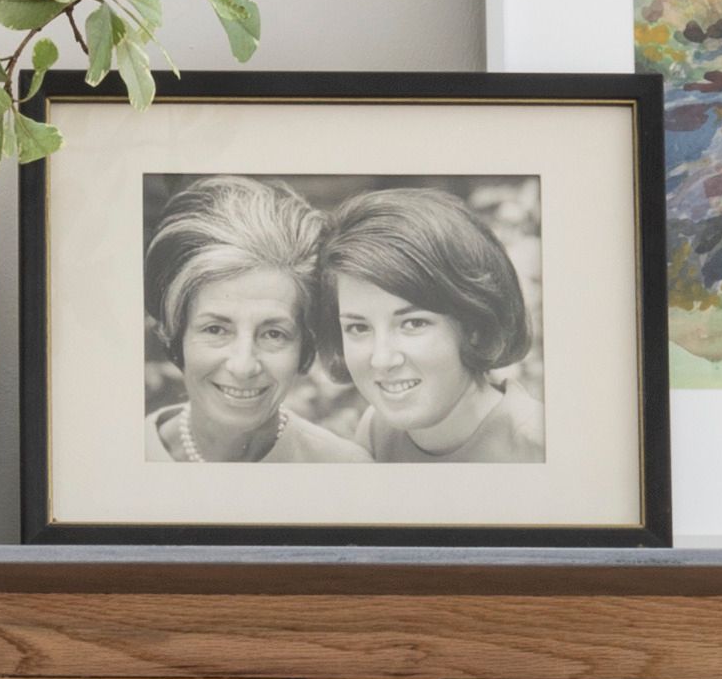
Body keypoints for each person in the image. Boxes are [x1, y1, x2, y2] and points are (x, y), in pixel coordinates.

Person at [288, 182, 548, 465]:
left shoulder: (540, 446)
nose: (382, 359)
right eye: (358, 328)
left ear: (474, 325)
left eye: (413, 324)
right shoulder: (379, 429)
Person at [141, 180, 325, 462]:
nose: (243, 366)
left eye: (274, 334)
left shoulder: (351, 467)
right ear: (174, 334)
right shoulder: (115, 459)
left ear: (305, 346)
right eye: (215, 329)